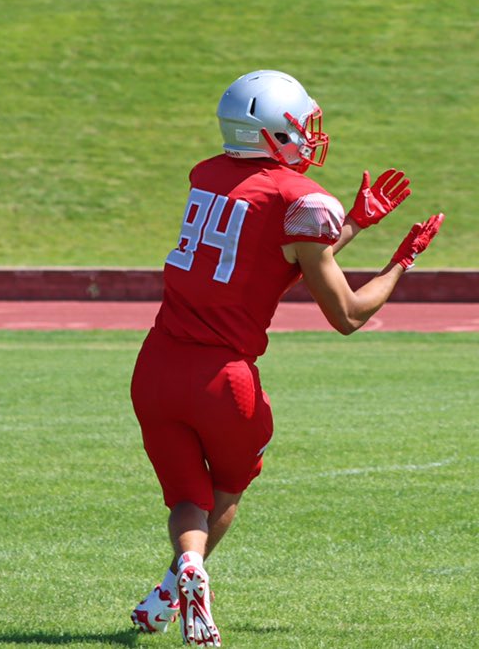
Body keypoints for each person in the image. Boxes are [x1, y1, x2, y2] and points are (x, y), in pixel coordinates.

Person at [128, 69, 444, 646]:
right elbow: (346, 313)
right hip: (223, 379)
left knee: (185, 498)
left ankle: (179, 579)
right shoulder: (302, 198)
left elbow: (269, 264)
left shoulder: (209, 175)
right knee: (228, 486)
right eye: (299, 126)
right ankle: (182, 580)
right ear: (273, 132)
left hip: (154, 368)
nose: (309, 136)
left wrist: (352, 225)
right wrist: (403, 260)